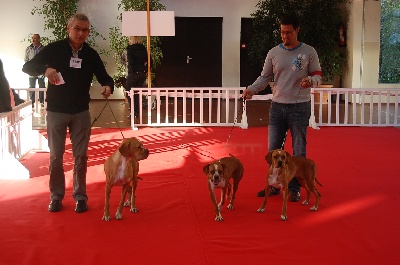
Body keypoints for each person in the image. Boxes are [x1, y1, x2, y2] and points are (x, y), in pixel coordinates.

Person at [22, 13, 114, 213]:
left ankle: (80, 197)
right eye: (77, 28)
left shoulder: (90, 54)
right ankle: (56, 196)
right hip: (56, 111)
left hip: (81, 112)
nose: (81, 33)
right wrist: (44, 70)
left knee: (81, 157)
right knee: (56, 157)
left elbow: (105, 76)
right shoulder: (54, 49)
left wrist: (107, 86)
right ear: (68, 28)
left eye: (85, 30)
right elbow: (27, 67)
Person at [242, 14, 322, 202]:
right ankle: (274, 185)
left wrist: (310, 81)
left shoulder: (309, 52)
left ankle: (294, 188)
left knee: (298, 150)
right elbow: (264, 77)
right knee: (273, 152)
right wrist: (251, 89)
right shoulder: (273, 53)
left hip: (300, 107)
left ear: (297, 31)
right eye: (282, 33)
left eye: (289, 33)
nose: (285, 37)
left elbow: (318, 76)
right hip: (277, 107)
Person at [125, 36, 148, 118]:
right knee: (137, 93)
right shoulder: (143, 48)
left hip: (133, 74)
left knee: (129, 93)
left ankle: (133, 112)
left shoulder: (130, 49)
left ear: (132, 40)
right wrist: (145, 70)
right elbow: (150, 61)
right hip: (142, 74)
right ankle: (137, 113)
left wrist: (132, 71)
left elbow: (131, 62)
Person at [24, 34, 45, 107]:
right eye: (33, 38)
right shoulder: (28, 48)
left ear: (39, 39)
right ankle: (32, 102)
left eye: (35, 38)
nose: (33, 39)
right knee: (32, 86)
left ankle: (42, 101)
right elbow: (26, 59)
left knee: (42, 86)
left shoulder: (43, 48)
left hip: (40, 71)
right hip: (31, 71)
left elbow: (46, 59)